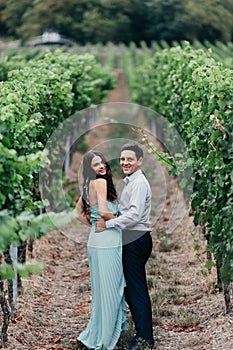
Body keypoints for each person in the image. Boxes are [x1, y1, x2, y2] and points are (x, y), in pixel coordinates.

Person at [96, 143, 154, 350]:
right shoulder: (132, 181)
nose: (125, 162)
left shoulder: (138, 183)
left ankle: (145, 340)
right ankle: (141, 334)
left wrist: (108, 224)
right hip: (132, 237)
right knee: (130, 288)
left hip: (136, 238)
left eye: (130, 159)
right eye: (122, 159)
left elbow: (135, 215)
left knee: (136, 289)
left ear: (139, 161)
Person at [76, 150, 127, 349]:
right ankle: (105, 339)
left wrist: (92, 222)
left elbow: (78, 213)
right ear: (90, 168)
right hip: (107, 241)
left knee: (101, 292)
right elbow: (105, 212)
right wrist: (123, 222)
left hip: (95, 240)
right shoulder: (101, 182)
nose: (101, 166)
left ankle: (97, 333)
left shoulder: (88, 184)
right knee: (112, 290)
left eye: (102, 162)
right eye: (96, 164)